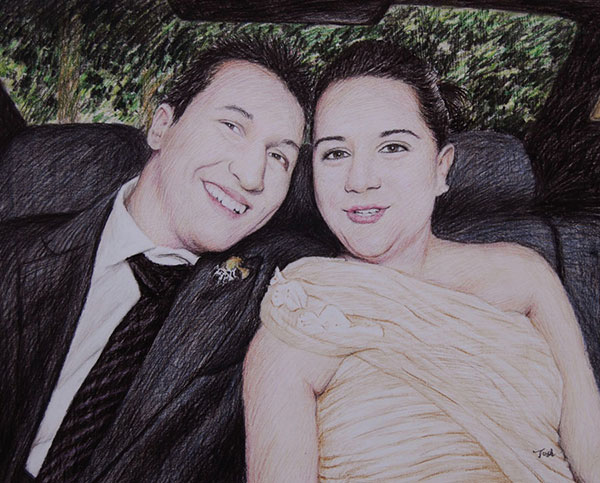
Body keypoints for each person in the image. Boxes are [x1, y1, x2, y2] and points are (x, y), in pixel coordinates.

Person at [244, 40, 600, 482]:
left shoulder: (524, 275)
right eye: (335, 153)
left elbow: (590, 444)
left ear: (441, 168)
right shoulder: (294, 323)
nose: (360, 180)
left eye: (393, 147)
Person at [0, 34, 329, 482]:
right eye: (232, 126)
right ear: (161, 127)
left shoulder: (276, 295)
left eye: (279, 156)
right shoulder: (12, 257)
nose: (251, 175)